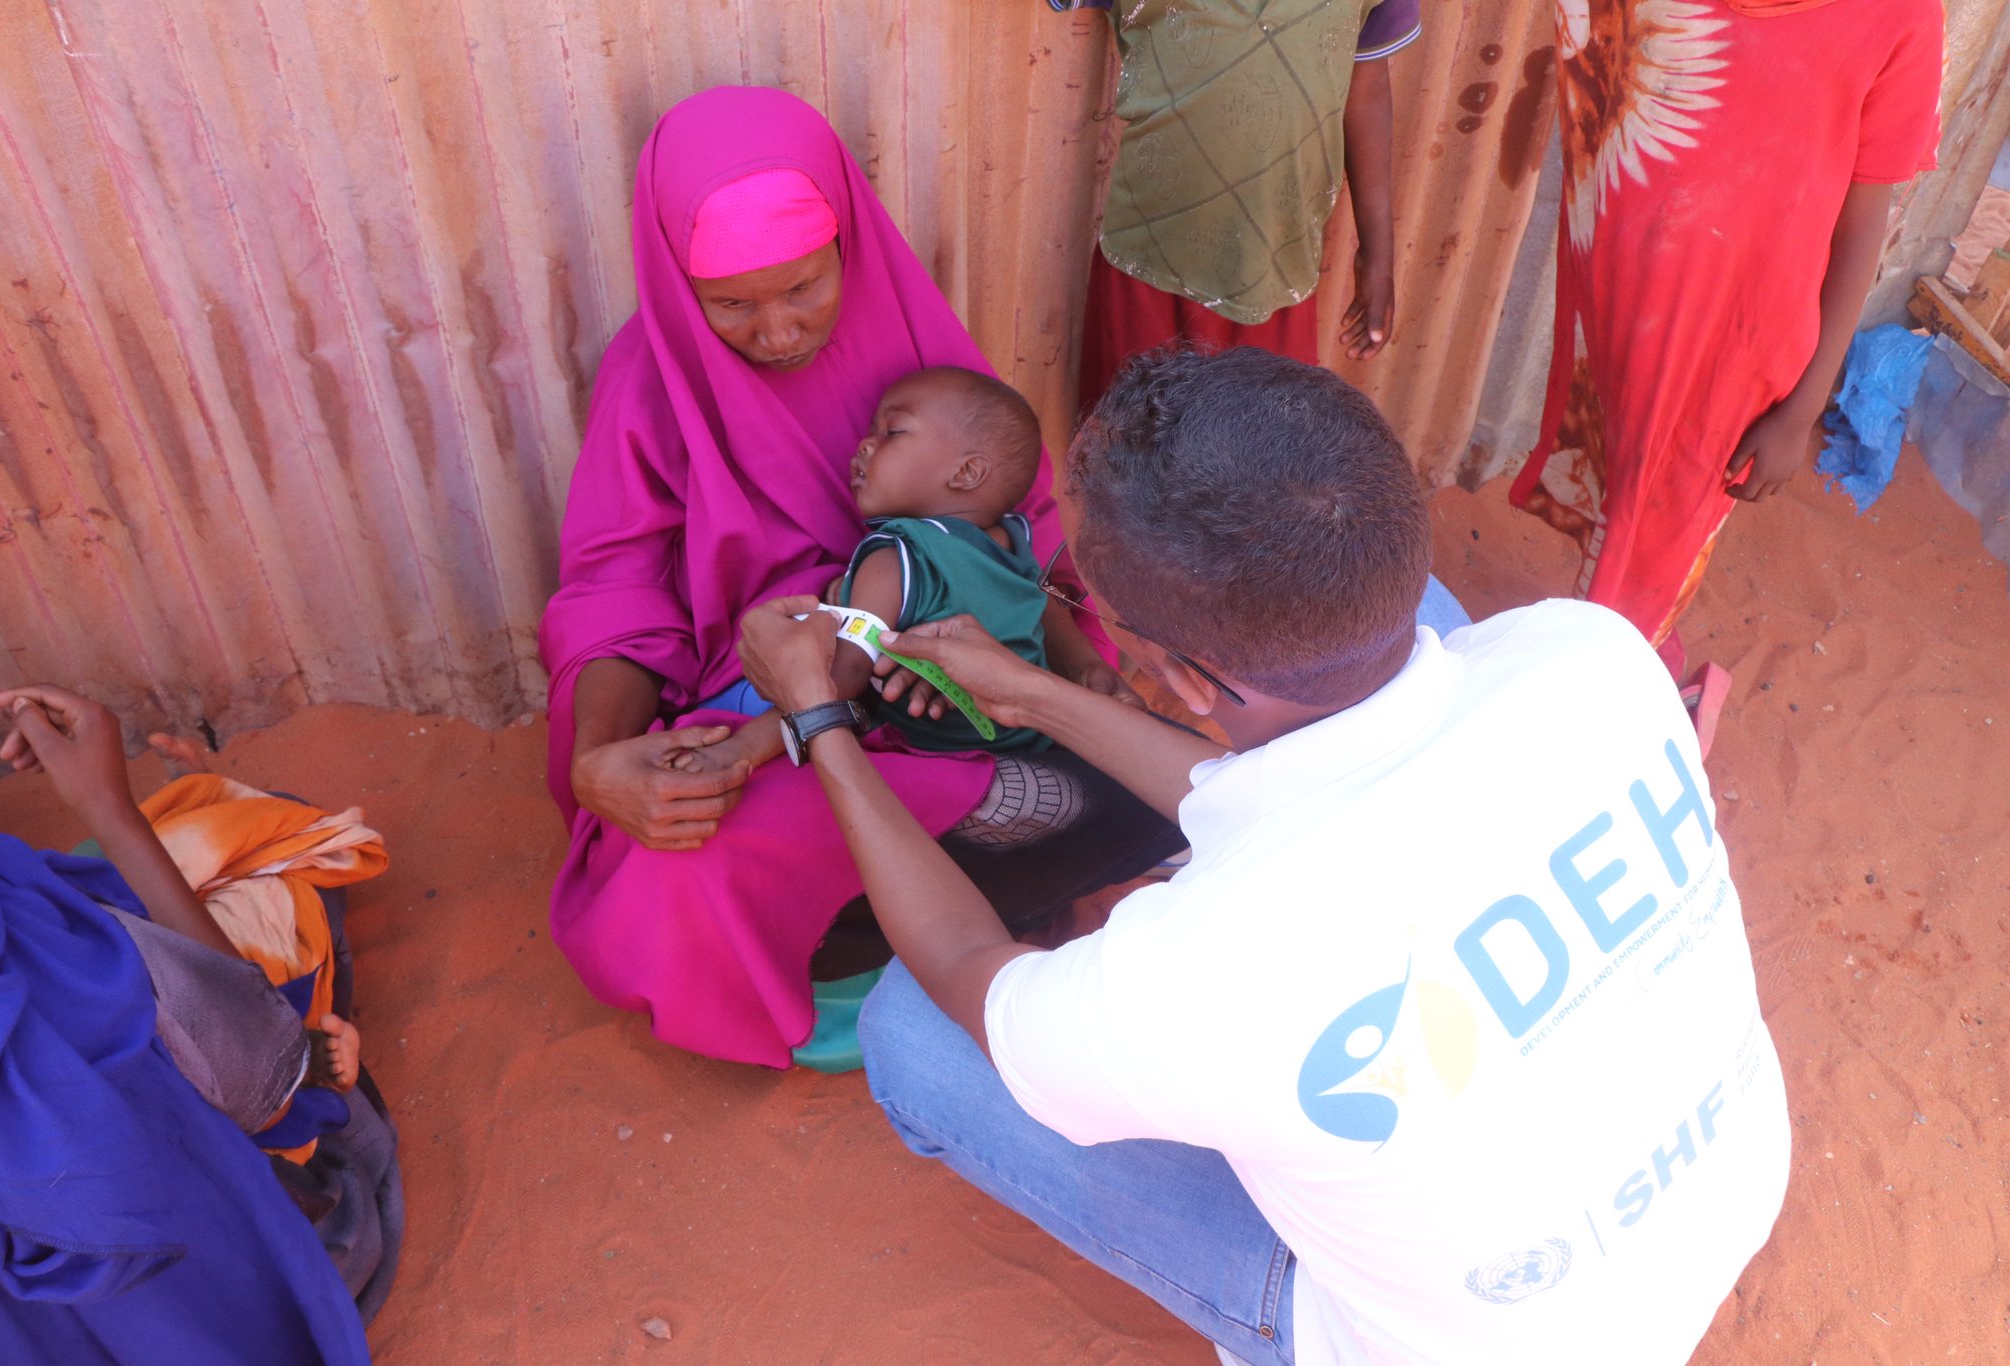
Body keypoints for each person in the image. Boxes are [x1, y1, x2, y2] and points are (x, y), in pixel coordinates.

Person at [735, 346, 1790, 1364]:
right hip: (1711, 1200)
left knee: (913, 1030)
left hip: (1463, 1349)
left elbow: (969, 970)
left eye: (1098, 620)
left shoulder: (1207, 970)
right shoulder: (1589, 652)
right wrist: (1040, 696)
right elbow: (1267, 792)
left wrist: (819, 716)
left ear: (1185, 683)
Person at [539, 84, 1181, 1072]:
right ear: (676, 284)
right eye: (731, 306)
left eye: (804, 286)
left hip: (957, 677)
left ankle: (952, 889)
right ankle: (897, 931)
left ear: (846, 240)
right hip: (772, 700)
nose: (781, 329)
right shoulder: (649, 378)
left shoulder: (914, 347)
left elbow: (1021, 535)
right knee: (673, 858)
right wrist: (598, 759)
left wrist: (1067, 672)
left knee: (1141, 777)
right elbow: (614, 597)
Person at [1510, 0, 1944, 684]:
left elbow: (1863, 221)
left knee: (1671, 518)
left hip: (1740, 345)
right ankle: (1607, 640)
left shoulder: (1901, 14)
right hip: (1626, 299)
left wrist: (1800, 413)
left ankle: (1612, 666)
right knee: (1620, 475)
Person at [0, 687, 380, 1362]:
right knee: (250, 846)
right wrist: (109, 807)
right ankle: (196, 796)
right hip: (257, 1264)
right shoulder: (21, 955)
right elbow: (262, 1070)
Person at [675, 365, 1066, 781]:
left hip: (945, 766)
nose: (865, 444)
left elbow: (843, 676)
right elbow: (1043, 609)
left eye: (893, 432)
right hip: (1040, 747)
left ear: (966, 473)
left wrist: (741, 749)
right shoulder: (1013, 538)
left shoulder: (898, 554)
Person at [1078, 0, 1420, 409]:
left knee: (1258, 452)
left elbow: (1365, 86)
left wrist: (1377, 253)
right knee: (1132, 446)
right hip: (1150, 258)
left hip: (1275, 271)